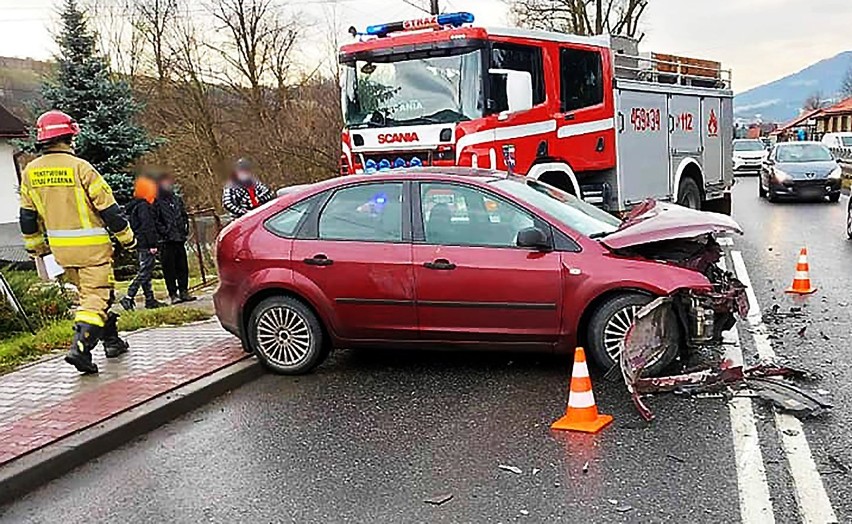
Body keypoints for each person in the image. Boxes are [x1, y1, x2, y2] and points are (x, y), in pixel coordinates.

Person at [19, 110, 136, 374]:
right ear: (69, 136)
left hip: (62, 252)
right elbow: (110, 210)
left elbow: (28, 217)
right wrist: (127, 239)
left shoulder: (30, 172)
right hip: (92, 250)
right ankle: (80, 350)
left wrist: (36, 248)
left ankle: (112, 341)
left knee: (91, 297)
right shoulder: (81, 168)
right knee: (96, 298)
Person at [120, 173, 165, 311]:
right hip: (145, 242)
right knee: (145, 270)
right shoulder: (144, 206)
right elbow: (147, 226)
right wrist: (152, 244)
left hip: (139, 241)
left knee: (145, 269)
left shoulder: (135, 205)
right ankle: (128, 296)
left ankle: (149, 299)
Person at [154, 171, 196, 304]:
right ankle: (173, 293)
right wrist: (164, 232)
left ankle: (184, 291)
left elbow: (183, 215)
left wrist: (184, 230)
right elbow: (156, 220)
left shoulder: (176, 199)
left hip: (179, 237)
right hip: (166, 240)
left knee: (182, 266)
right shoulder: (157, 201)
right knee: (169, 268)